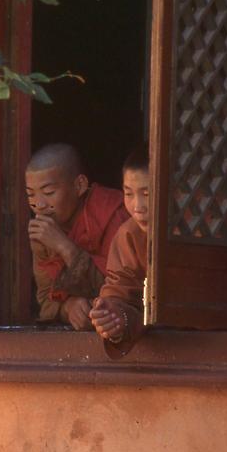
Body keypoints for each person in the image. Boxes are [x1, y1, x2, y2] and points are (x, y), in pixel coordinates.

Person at [26, 143, 130, 330]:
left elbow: (125, 290)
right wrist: (68, 307)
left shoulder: (113, 214)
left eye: (49, 192)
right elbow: (44, 300)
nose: (39, 205)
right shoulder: (43, 233)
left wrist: (65, 247)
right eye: (30, 195)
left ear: (80, 185)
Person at [90, 145, 150, 357]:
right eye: (128, 193)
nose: (137, 206)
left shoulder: (201, 229)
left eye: (147, 193)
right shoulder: (128, 235)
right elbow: (121, 291)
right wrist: (115, 317)